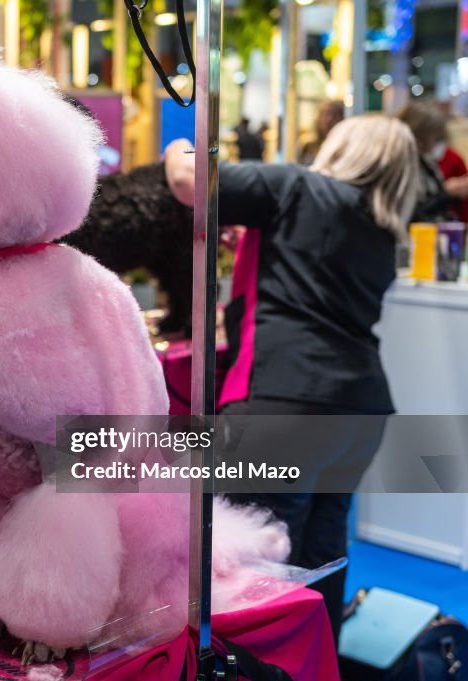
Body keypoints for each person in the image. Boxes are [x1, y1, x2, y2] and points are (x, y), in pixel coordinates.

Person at [165, 114, 419, 647]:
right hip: (360, 412)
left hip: (287, 402)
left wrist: (181, 143)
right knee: (321, 554)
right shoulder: (381, 229)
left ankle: (256, 665)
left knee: (256, 559)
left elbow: (188, 179)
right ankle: (314, 663)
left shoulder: (297, 187)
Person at [397, 102, 468, 223]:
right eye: (435, 138)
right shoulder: (399, 165)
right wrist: (447, 194)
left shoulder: (426, 161)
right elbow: (411, 213)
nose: (436, 143)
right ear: (421, 136)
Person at [297, 99, 345, 166]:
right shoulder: (308, 146)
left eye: (334, 115)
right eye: (325, 114)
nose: (329, 120)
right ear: (318, 118)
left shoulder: (345, 147)